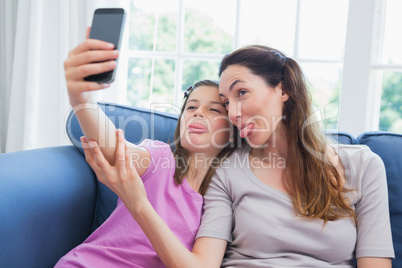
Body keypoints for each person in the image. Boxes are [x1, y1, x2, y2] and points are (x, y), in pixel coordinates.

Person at [85, 45, 395, 268]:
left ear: (283, 89)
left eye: (241, 93)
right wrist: (81, 99)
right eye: (226, 101)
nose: (233, 112)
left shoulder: (364, 166)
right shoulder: (228, 170)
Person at [55, 31, 238, 267]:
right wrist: (82, 100)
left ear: (232, 131)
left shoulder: (221, 197)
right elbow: (114, 149)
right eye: (191, 107)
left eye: (214, 110)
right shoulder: (160, 159)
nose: (198, 112)